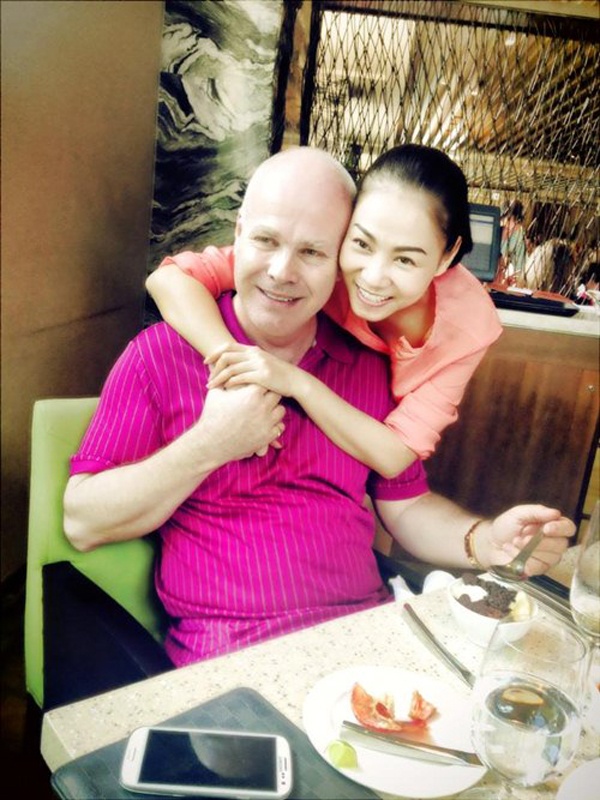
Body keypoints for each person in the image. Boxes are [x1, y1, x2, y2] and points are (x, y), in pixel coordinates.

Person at [64, 147, 574, 669]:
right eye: (265, 240)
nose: (281, 271)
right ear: (238, 235)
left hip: (367, 638)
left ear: (337, 260)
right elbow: (83, 520)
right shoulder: (160, 355)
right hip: (232, 653)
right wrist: (210, 443)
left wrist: (483, 541)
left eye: (312, 252)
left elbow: (407, 506)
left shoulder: (369, 366)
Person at [146, 144, 503, 479]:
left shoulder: (470, 328)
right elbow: (169, 279)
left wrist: (294, 381)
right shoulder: (324, 268)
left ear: (447, 256)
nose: (372, 277)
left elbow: (395, 456)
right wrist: (238, 367)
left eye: (405, 260)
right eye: (362, 243)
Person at [499, 200, 527, 284]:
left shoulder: (519, 235)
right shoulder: (494, 229)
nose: (513, 225)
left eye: (517, 222)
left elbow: (519, 266)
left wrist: (514, 278)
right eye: (508, 219)